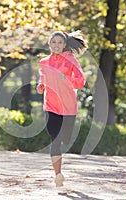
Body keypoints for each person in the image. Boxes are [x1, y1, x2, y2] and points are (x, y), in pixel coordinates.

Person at [36, 30, 88, 187]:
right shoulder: (44, 63)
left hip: (68, 107)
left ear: (64, 45)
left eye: (59, 42)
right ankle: (58, 175)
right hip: (51, 106)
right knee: (55, 139)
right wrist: (40, 86)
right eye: (53, 42)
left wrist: (66, 78)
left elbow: (81, 81)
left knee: (65, 139)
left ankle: (59, 169)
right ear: (49, 44)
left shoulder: (70, 60)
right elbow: (42, 81)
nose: (56, 45)